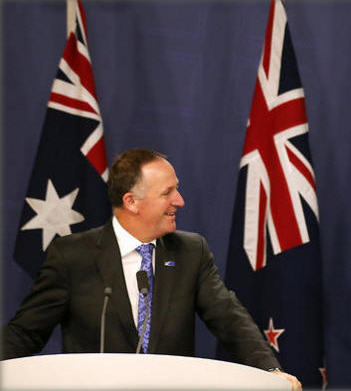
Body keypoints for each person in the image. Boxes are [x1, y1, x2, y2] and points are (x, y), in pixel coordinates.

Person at [3, 148, 301, 390]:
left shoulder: (190, 252)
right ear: (131, 201)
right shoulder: (73, 257)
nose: (179, 201)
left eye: (177, 190)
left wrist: (270, 370)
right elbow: (26, 332)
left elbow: (229, 319)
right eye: (167, 192)